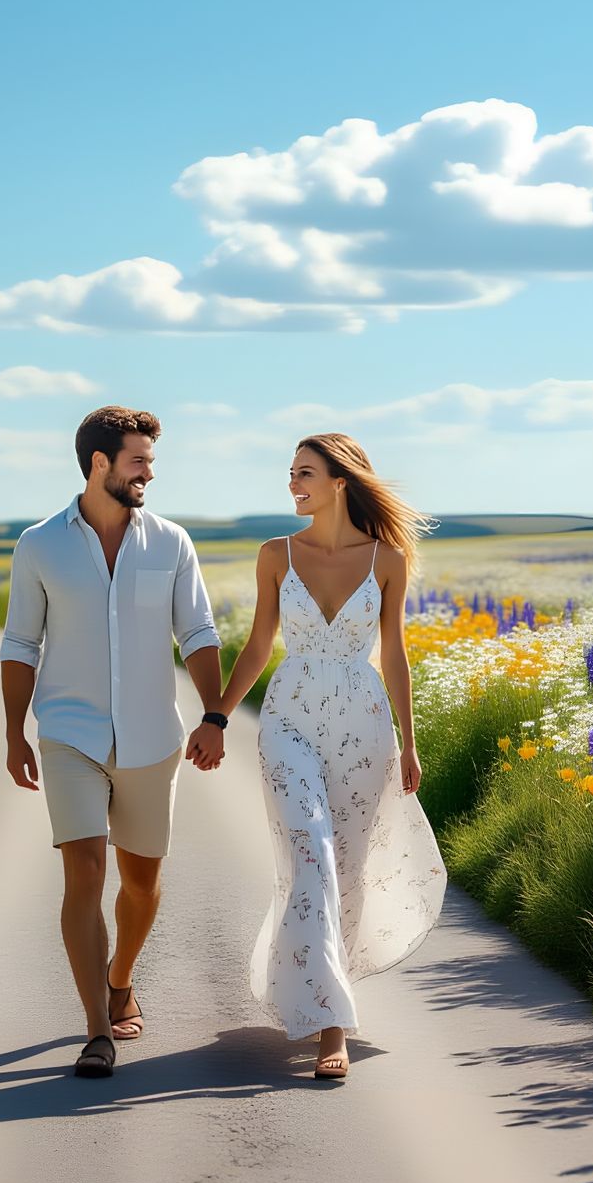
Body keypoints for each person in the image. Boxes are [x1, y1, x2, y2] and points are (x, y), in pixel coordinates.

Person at [0, 406, 227, 1079]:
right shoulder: (39, 545)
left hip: (153, 737)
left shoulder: (170, 543)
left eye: (150, 462)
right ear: (99, 464)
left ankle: (121, 975)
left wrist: (215, 716)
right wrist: (15, 732)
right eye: (139, 461)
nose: (149, 473)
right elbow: (19, 643)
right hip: (69, 732)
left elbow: (200, 634)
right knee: (85, 873)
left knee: (141, 884)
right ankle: (97, 1029)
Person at [219, 433, 446, 1080]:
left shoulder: (388, 559)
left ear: (340, 481)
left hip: (365, 724)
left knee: (343, 868)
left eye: (305, 473)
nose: (293, 484)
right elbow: (260, 647)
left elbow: (394, 653)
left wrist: (409, 738)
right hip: (288, 717)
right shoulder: (275, 555)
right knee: (311, 854)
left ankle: (324, 992)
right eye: (291, 473)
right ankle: (329, 1029)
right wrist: (217, 716)